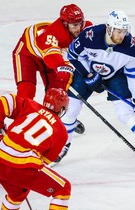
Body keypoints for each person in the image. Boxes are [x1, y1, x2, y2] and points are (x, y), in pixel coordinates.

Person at [56, 10, 135, 167]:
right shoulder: (91, 35)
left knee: (125, 113)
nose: (122, 35)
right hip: (89, 70)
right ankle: (61, 147)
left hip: (116, 75)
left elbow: (134, 75)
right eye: (119, 31)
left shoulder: (131, 47)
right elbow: (73, 55)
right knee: (70, 109)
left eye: (124, 31)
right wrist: (88, 74)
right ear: (109, 28)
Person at [12, 4, 92, 134]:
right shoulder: (52, 34)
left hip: (49, 55)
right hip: (27, 54)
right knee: (26, 90)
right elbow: (52, 58)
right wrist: (64, 68)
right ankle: (21, 124)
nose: (78, 28)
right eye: (74, 25)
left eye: (80, 23)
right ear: (65, 24)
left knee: (56, 91)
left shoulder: (85, 28)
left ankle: (56, 119)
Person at [0, 88, 71, 210]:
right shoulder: (61, 132)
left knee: (17, 193)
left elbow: (4, 101)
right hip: (23, 166)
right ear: (62, 109)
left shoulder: (30, 105)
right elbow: (45, 161)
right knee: (63, 189)